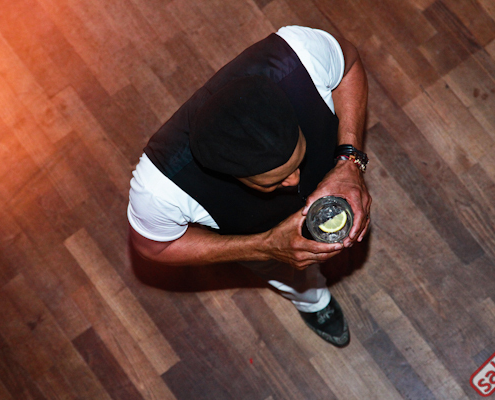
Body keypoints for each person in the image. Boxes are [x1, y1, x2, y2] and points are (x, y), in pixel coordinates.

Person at [127, 26, 371, 347]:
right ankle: (313, 301)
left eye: (299, 160)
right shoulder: (159, 190)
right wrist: (264, 246)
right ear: (229, 176)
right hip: (255, 231)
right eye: (278, 180)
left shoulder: (300, 56)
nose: (296, 181)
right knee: (286, 273)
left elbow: (349, 64)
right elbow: (153, 247)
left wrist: (349, 161)